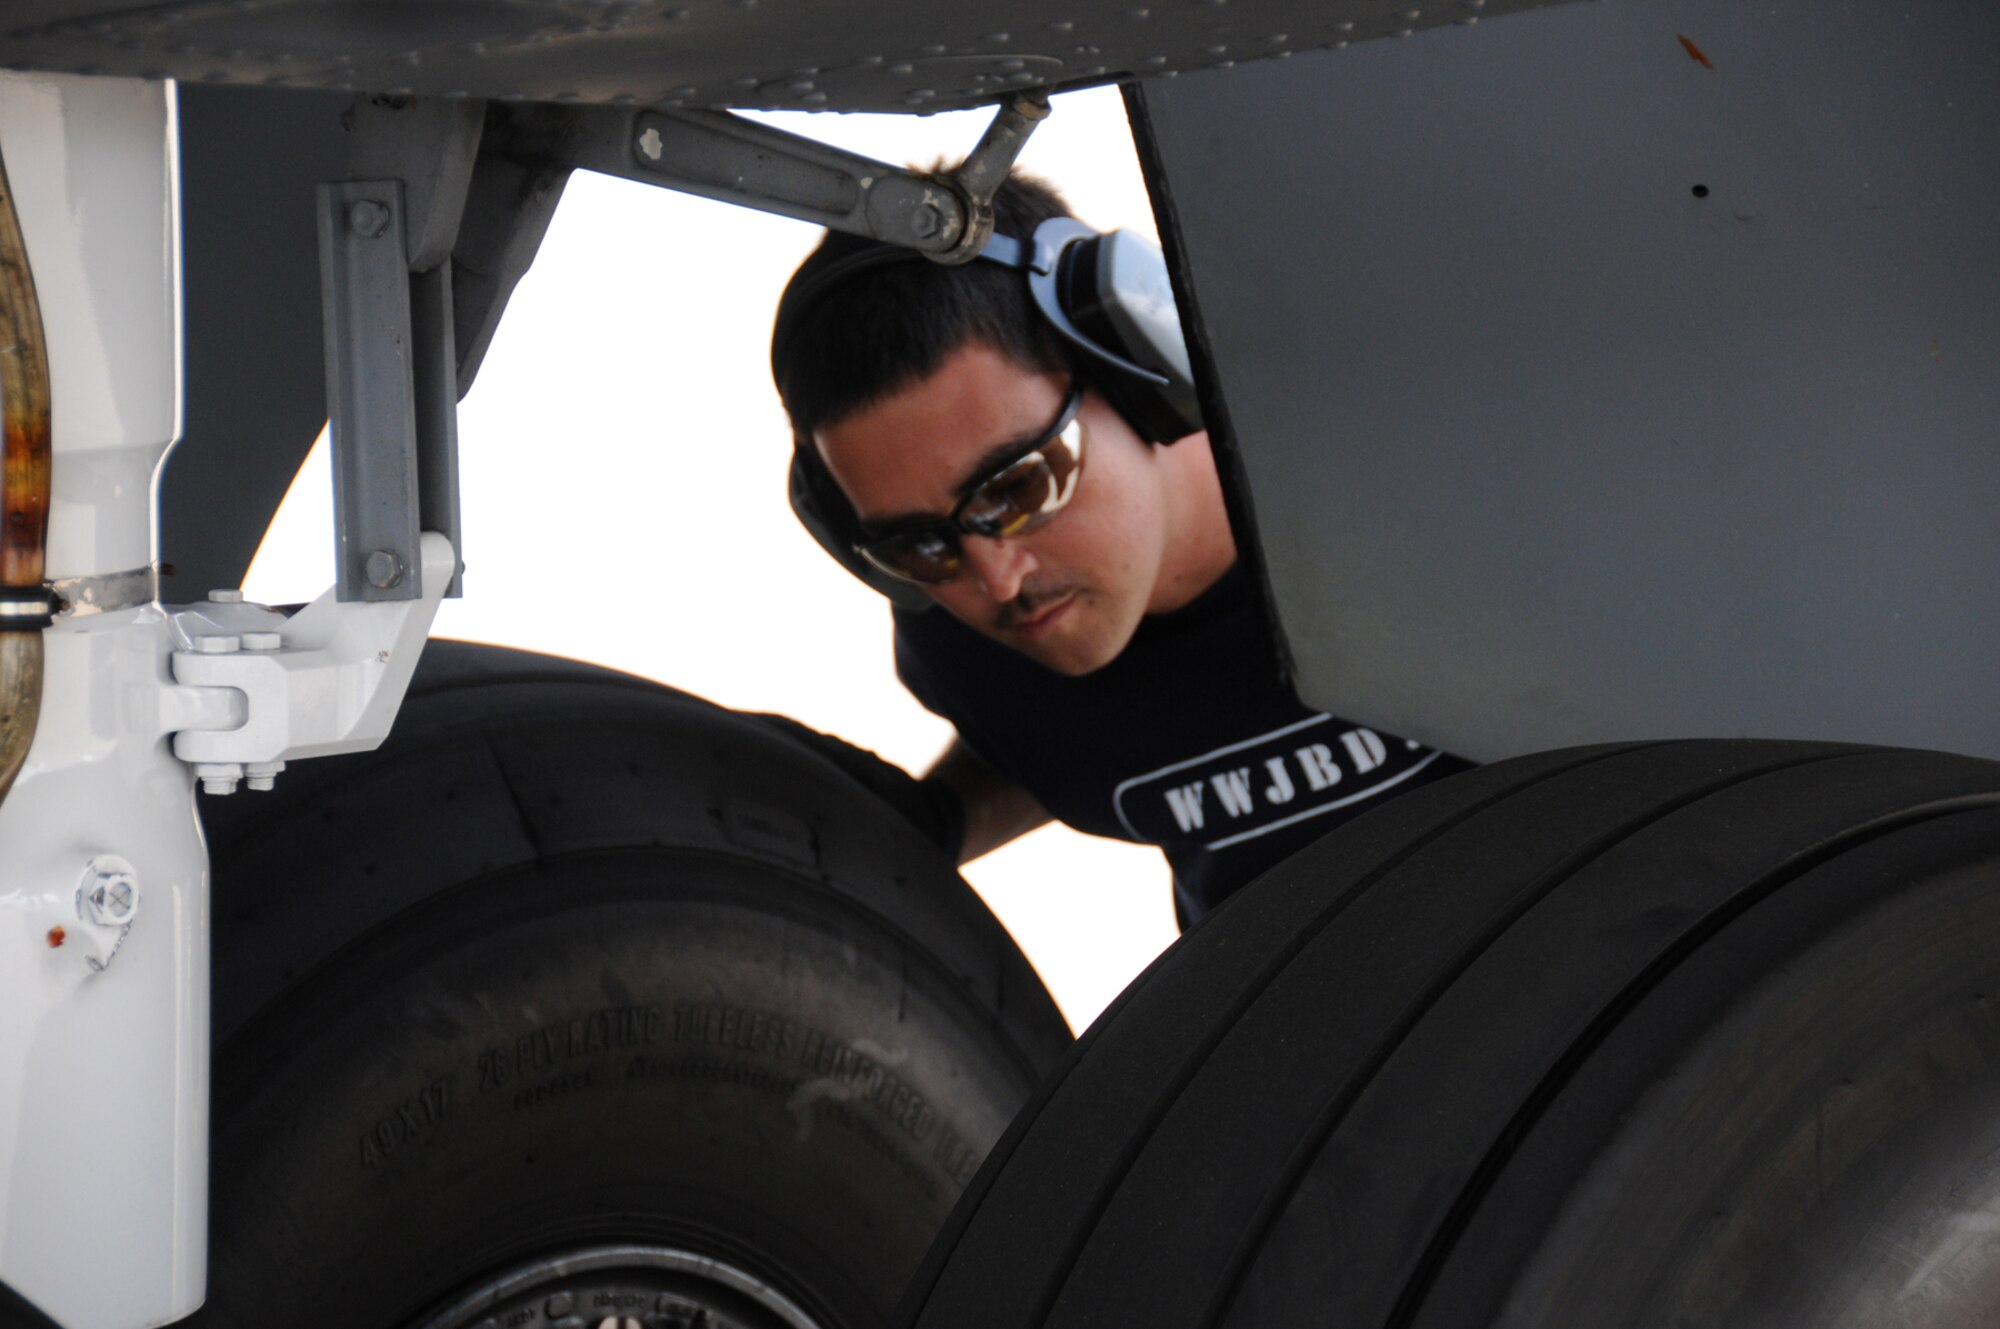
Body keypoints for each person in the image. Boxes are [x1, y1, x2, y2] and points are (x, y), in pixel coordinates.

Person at [771, 172, 1470, 927]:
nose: (998, 581)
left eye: (1016, 489)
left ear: (1138, 363)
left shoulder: (1432, 497)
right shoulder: (973, 657)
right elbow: (1078, 745)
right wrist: (936, 822)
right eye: (918, 543)